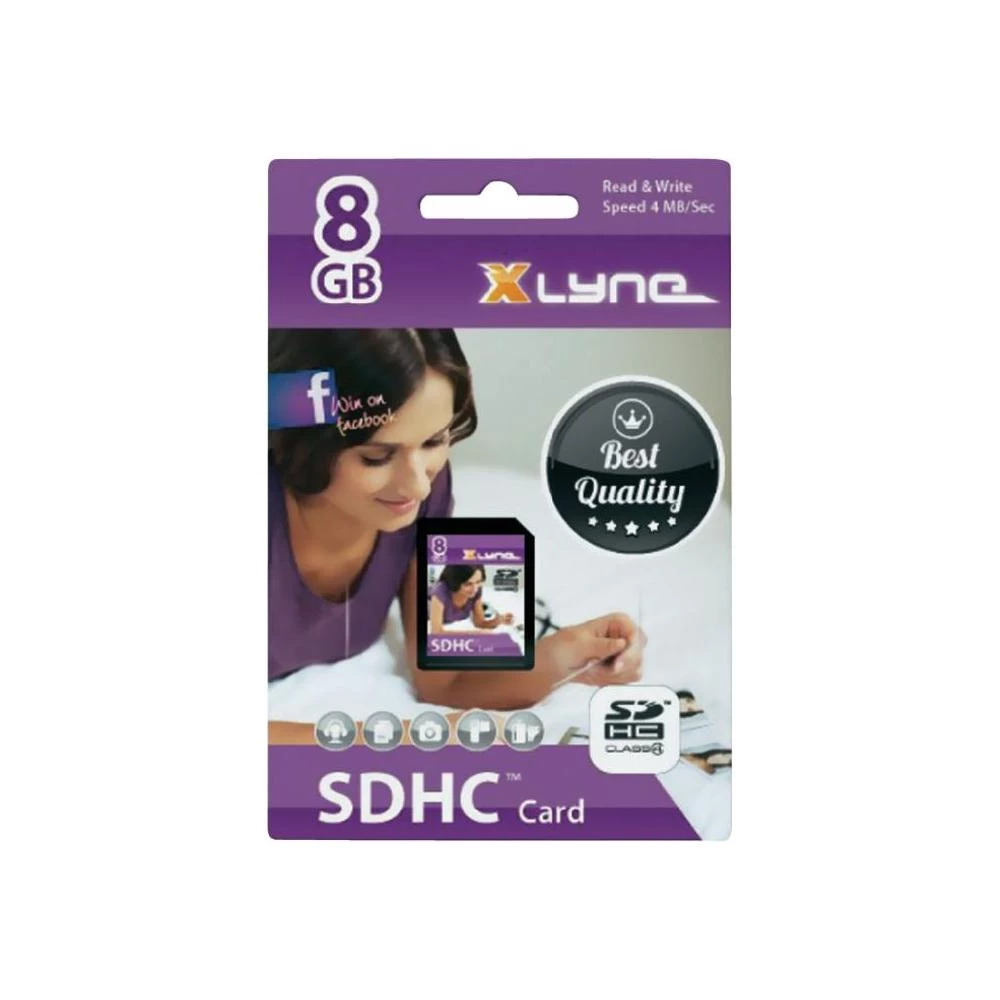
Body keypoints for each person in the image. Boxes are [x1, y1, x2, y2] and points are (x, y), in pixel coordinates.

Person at [268, 328, 644, 741]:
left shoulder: (425, 491)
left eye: (435, 441)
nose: (417, 485)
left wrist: (565, 658)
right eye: (377, 456)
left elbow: (448, 680)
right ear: (297, 442)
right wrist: (393, 740)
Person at [428, 565, 514, 633]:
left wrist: (498, 620)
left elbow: (479, 623)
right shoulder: (440, 591)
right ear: (455, 582)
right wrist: (474, 634)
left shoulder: (476, 590)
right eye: (468, 584)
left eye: (478, 582)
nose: (475, 589)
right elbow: (436, 632)